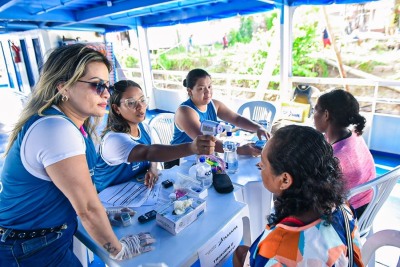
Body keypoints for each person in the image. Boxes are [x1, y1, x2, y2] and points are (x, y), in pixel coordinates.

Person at [0, 44, 216, 265]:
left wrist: (105, 211)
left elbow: (79, 191)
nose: (105, 93)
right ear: (64, 88)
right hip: (31, 248)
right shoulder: (57, 129)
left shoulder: (71, 126)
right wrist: (118, 250)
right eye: (96, 85)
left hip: (45, 238)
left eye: (106, 85)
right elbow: (87, 208)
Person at [233, 125, 364, 267]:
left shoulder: (275, 250)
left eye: (263, 165)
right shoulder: (343, 206)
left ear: (285, 180)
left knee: (240, 253)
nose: (259, 165)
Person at [95, 79, 216, 192]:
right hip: (110, 200)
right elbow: (149, 152)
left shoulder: (144, 128)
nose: (140, 106)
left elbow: (152, 154)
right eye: (131, 103)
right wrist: (192, 147)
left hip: (138, 191)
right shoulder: (114, 140)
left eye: (142, 100)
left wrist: (152, 168)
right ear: (116, 109)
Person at [167, 68, 268, 169]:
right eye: (201, 88)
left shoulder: (214, 105)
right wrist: (240, 149)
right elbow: (205, 142)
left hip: (201, 158)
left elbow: (237, 119)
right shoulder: (185, 112)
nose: (208, 92)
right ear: (190, 91)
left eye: (209, 86)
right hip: (179, 161)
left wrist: (258, 127)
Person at [313, 89, 376, 219]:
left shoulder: (337, 157)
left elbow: (319, 192)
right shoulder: (354, 135)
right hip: (367, 202)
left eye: (315, 109)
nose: (313, 115)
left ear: (326, 115)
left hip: (350, 212)